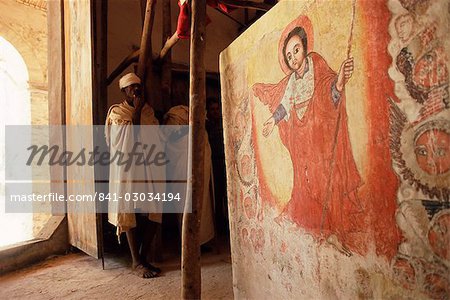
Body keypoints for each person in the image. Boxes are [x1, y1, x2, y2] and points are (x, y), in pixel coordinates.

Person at [253, 26, 364, 255]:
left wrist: (340, 81)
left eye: (296, 50)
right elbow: (285, 104)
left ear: (305, 47)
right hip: (302, 137)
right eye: (289, 55)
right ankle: (320, 229)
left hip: (320, 134)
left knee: (327, 179)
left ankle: (335, 231)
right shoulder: (293, 79)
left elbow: (328, 90)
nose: (294, 58)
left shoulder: (317, 64)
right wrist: (272, 121)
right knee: (306, 182)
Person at [105, 72, 164, 278]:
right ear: (124, 91)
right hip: (127, 169)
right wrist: (137, 110)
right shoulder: (117, 114)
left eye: (138, 86)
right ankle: (136, 262)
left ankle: (143, 256)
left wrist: (140, 110)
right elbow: (130, 139)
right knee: (127, 209)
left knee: (154, 210)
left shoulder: (148, 112)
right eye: (131, 88)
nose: (136, 90)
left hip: (149, 167)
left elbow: (152, 139)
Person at [163, 105, 215, 247]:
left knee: (202, 204)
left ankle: (201, 241)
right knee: (185, 204)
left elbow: (202, 132)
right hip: (181, 169)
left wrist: (197, 129)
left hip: (199, 167)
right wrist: (192, 129)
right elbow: (171, 139)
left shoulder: (192, 111)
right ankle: (188, 244)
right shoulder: (172, 116)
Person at [205, 97, 228, 234]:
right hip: (214, 164)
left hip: (224, 162)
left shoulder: (223, 123)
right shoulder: (206, 126)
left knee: (226, 194)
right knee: (217, 197)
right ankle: (218, 226)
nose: (215, 112)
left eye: (217, 109)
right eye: (212, 109)